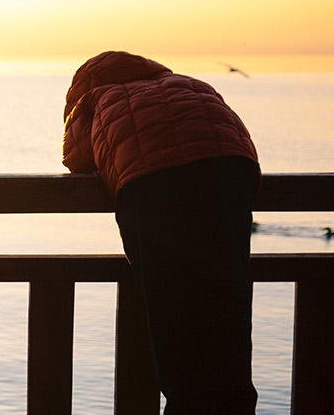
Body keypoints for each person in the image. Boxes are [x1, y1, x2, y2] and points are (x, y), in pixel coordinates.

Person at [62, 50, 260, 414]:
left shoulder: (97, 98)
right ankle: (236, 402)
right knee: (226, 301)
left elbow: (75, 157)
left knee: (170, 306)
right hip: (229, 172)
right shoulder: (190, 84)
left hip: (154, 183)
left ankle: (186, 401)